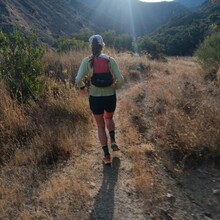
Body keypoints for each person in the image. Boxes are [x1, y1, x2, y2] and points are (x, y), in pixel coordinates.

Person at [75, 34, 124, 165]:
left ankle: (107, 156)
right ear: (103, 46)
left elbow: (77, 79)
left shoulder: (87, 61)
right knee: (109, 118)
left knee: (100, 126)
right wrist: (115, 87)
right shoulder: (110, 60)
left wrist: (83, 89)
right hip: (110, 96)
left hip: (95, 98)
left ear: (91, 47)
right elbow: (121, 79)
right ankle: (113, 140)